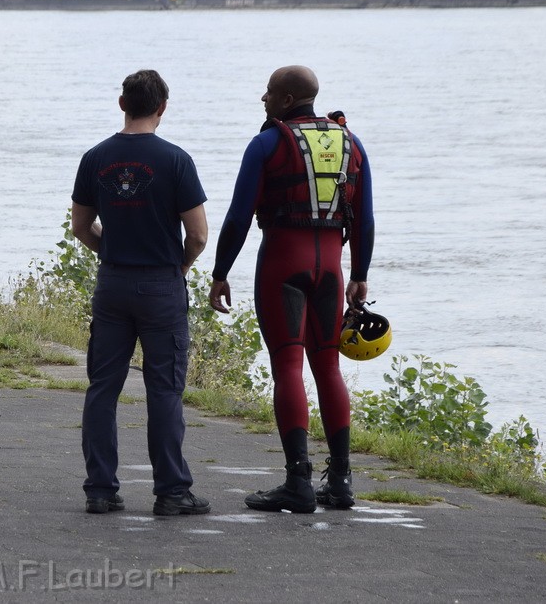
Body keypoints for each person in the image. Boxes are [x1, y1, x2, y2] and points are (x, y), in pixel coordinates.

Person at [208, 65, 375, 513]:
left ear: (285, 100)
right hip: (332, 269)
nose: (262, 99)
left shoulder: (266, 144)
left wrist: (220, 271)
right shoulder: (351, 143)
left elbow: (239, 216)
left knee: (287, 366)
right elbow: (366, 218)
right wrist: (359, 275)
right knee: (329, 369)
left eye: (267, 93)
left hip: (283, 263)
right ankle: (340, 482)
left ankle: (298, 483)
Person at [71, 69, 211, 517]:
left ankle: (100, 489)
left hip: (112, 282)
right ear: (162, 108)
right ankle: (171, 491)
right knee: (164, 389)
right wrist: (181, 266)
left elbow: (79, 227)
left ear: (121, 104)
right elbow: (199, 235)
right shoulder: (176, 160)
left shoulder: (95, 157)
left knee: (103, 387)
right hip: (161, 285)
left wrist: (109, 249)